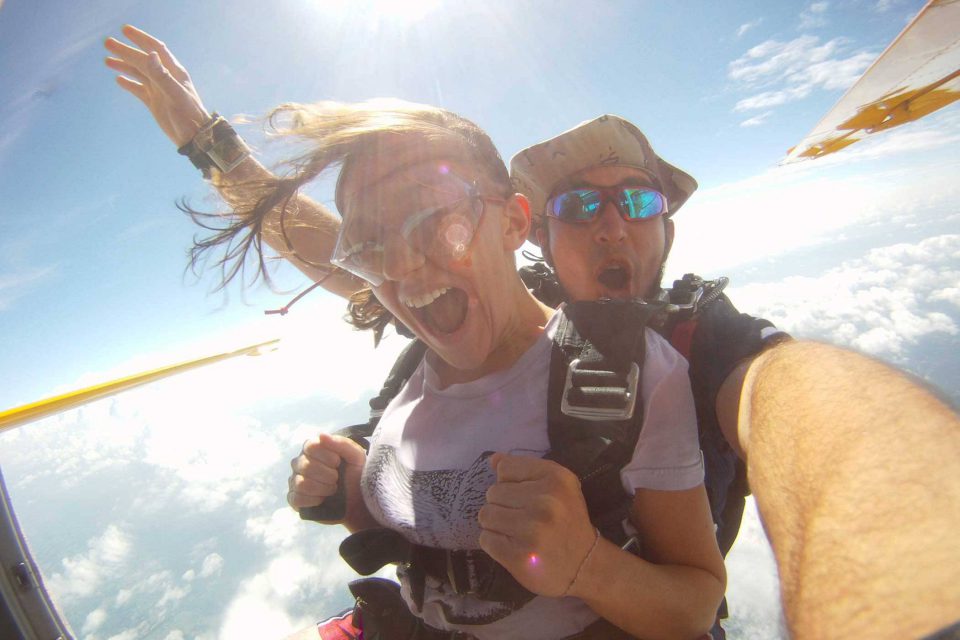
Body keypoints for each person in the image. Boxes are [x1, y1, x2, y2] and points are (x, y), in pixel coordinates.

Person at [106, 25, 960, 639]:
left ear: (667, 227)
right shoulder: (463, 312)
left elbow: (793, 395)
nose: (614, 226)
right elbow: (339, 249)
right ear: (533, 231)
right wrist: (207, 142)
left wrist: (915, 571)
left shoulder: (696, 340)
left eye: (639, 201)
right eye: (580, 204)